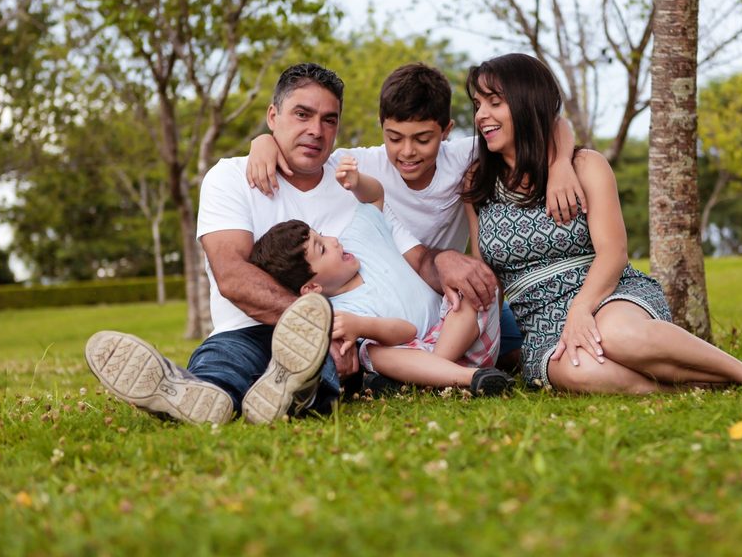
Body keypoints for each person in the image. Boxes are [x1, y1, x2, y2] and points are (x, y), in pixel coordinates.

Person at [86, 63, 491, 426]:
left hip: (333, 340)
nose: (316, 130)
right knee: (227, 357)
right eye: (302, 114)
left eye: (328, 119)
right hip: (256, 326)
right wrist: (319, 325)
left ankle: (280, 394)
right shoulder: (230, 177)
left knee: (318, 367)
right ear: (272, 116)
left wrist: (450, 260)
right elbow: (231, 275)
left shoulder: (351, 172)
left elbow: (409, 247)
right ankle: (198, 393)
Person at [461, 53, 742, 393]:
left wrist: (580, 309)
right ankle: (703, 384)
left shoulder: (584, 165)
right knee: (583, 372)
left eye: (495, 103)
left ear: (528, 105)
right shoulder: (476, 183)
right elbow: (486, 277)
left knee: (617, 336)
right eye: (478, 105)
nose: (481, 116)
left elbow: (613, 253)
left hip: (607, 295)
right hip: (540, 321)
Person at [245, 63, 585, 373]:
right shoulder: (359, 165)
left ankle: (439, 369)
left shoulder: (466, 156)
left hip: (449, 302)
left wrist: (559, 165)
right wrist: (262, 142)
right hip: (395, 312)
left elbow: (555, 123)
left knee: (512, 338)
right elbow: (306, 148)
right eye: (394, 138)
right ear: (382, 127)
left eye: (423, 139)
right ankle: (444, 371)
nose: (407, 152)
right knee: (381, 350)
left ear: (447, 130)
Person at [249, 156, 514, 395]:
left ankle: (434, 379)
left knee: (470, 287)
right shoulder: (341, 313)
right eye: (322, 248)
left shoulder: (359, 238)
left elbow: (374, 197)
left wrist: (357, 182)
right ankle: (469, 379)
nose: (333, 240)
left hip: (464, 336)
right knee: (371, 352)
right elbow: (407, 331)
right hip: (413, 359)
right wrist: (360, 327)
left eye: (322, 235)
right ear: (312, 287)